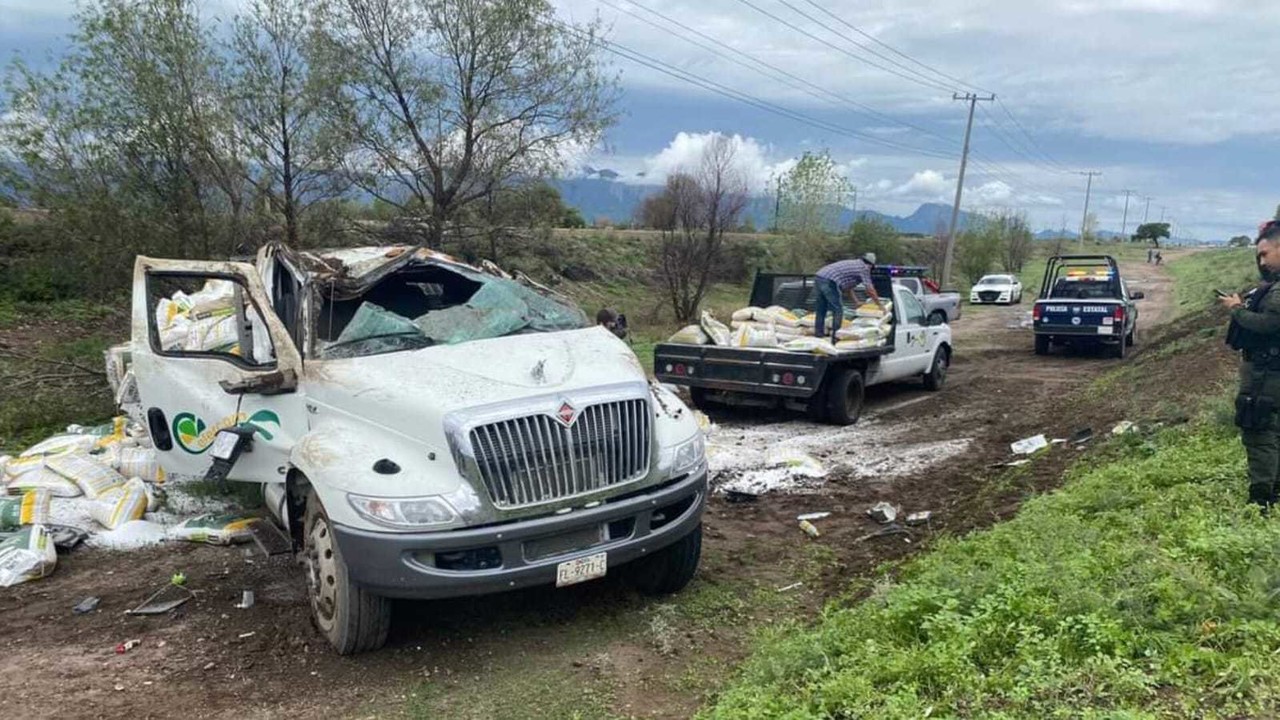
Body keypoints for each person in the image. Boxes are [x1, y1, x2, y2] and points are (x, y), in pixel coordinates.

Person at [1220, 220, 1280, 510]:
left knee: (1259, 429)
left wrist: (1236, 309)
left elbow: (1269, 324)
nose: (1261, 260)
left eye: (1265, 254)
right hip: (1269, 370)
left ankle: (1262, 501)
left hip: (1268, 373)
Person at [813, 253, 882, 339]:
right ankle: (836, 336)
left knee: (821, 309)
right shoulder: (864, 268)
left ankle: (818, 334)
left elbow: (848, 289)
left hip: (819, 276)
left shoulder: (854, 265)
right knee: (838, 309)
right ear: (871, 265)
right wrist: (879, 305)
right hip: (830, 280)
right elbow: (870, 290)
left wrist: (856, 302)